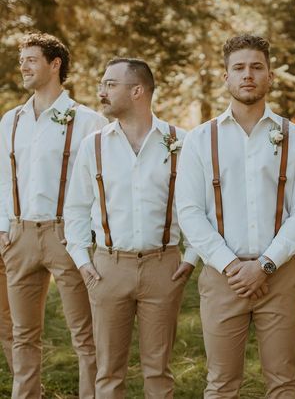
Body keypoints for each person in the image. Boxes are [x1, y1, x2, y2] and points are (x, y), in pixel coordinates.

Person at [176, 34, 295, 398]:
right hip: (223, 278)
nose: (248, 75)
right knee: (221, 384)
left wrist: (266, 264)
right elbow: (189, 212)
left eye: (257, 67)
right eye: (238, 68)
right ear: (226, 77)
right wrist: (230, 266)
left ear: (270, 76)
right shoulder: (199, 139)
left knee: (284, 383)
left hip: (281, 276)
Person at [64, 58, 198, 398]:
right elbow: (76, 208)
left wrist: (191, 257)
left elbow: (198, 207)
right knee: (108, 372)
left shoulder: (181, 142)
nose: (101, 91)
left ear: (137, 90)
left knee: (158, 371)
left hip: (163, 267)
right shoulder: (93, 146)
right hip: (108, 268)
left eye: (110, 84)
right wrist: (83, 261)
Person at [0, 32, 106, 398]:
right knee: (22, 335)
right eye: (22, 60)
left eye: (31, 59)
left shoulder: (89, 122)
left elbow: (99, 184)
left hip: (67, 237)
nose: (24, 67)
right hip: (19, 236)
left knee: (85, 336)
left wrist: (87, 236)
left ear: (54, 64)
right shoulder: (10, 121)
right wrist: (3, 229)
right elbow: (2, 177)